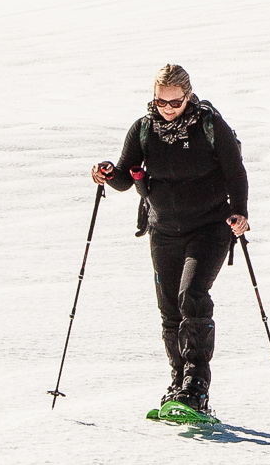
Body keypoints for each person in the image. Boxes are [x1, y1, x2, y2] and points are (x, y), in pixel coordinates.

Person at [90, 63, 249, 412]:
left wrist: (240, 212)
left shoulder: (210, 126)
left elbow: (235, 171)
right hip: (163, 230)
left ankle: (196, 387)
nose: (167, 109)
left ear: (188, 96)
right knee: (169, 311)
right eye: (161, 102)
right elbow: (123, 178)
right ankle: (177, 382)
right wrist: (106, 173)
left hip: (209, 227)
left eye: (174, 103)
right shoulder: (145, 129)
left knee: (192, 295)